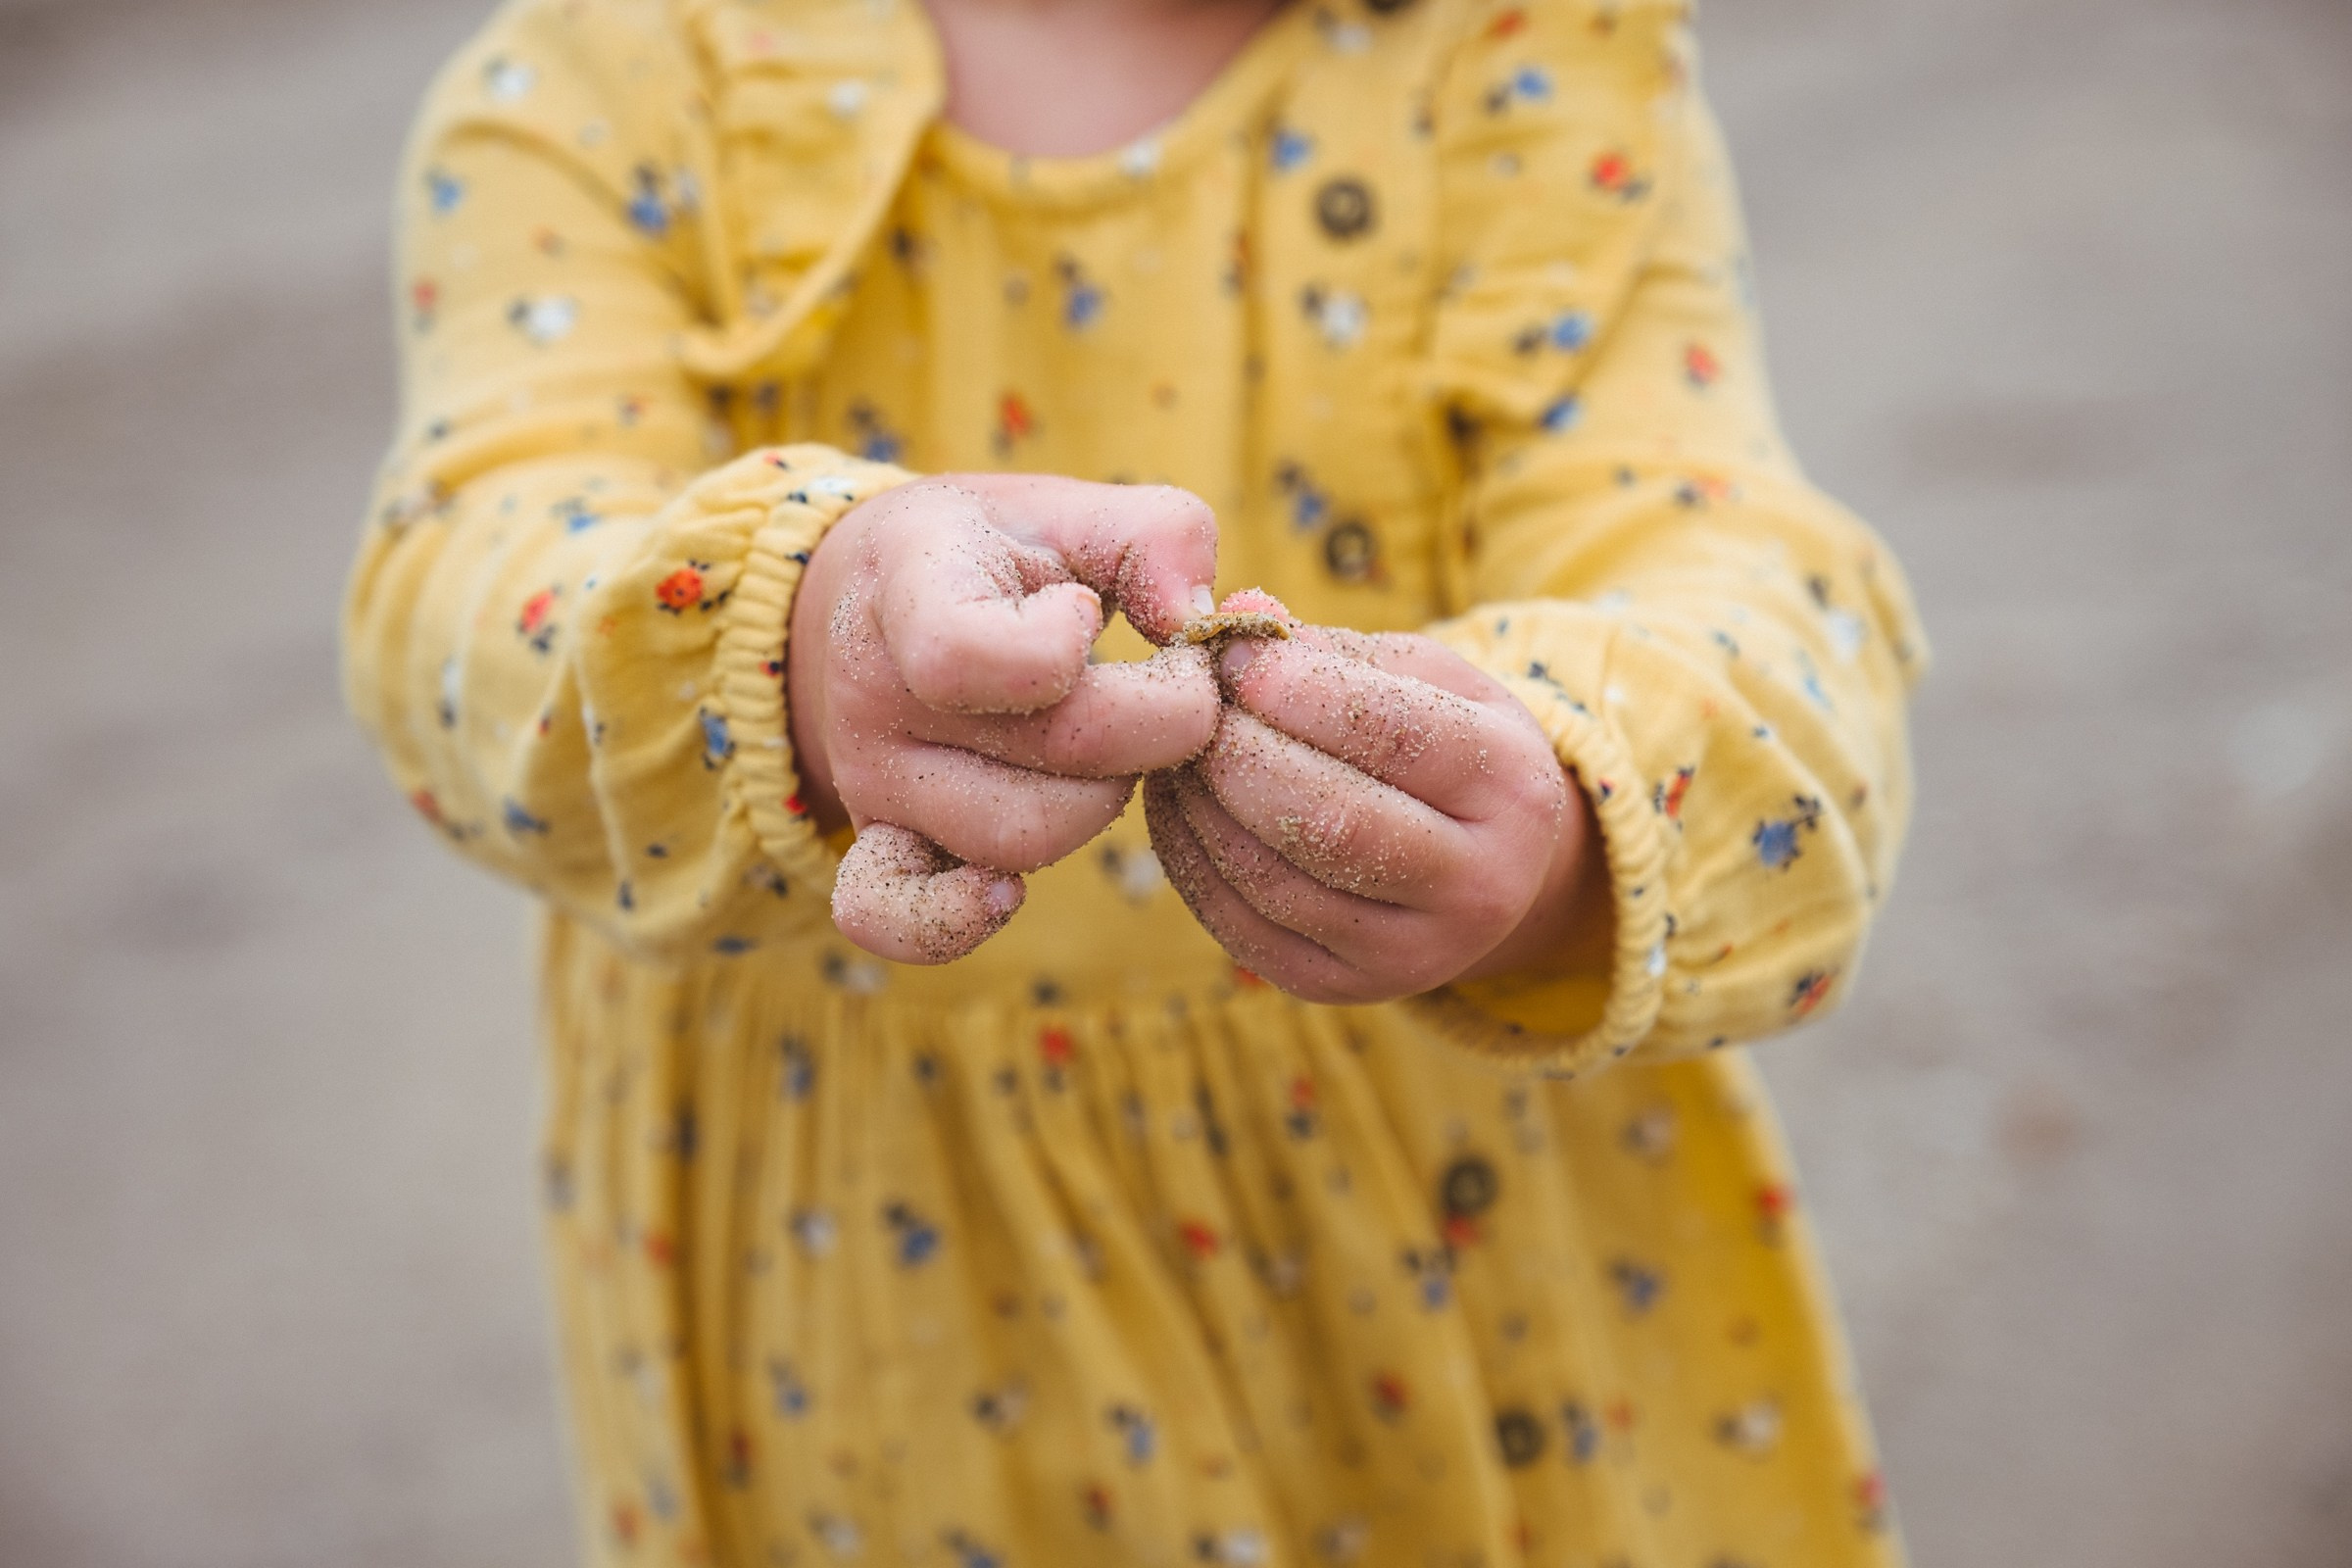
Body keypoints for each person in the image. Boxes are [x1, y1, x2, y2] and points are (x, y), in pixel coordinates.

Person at [343, 0, 1926, 1560]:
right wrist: (802, 632)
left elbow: (1740, 586)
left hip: (1461, 1284)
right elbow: (470, 585)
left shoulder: (1525, 73)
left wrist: (1562, 808)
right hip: (879, 1351)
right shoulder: (617, 81)